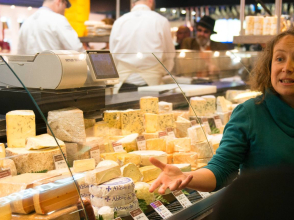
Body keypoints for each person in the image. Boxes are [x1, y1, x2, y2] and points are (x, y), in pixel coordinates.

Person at [149, 28, 294, 194]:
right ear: (269, 67)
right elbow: (222, 169)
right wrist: (186, 176)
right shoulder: (249, 114)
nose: (287, 67)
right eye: (280, 59)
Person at [109, 0, 175, 93]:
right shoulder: (161, 20)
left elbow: (112, 55)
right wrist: (163, 72)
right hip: (152, 85)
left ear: (133, 4)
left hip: (122, 86)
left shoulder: (119, 22)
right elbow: (169, 55)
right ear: (151, 1)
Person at [17, 0, 83, 55]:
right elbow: (77, 49)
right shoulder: (58, 19)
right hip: (56, 69)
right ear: (59, 2)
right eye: (64, 7)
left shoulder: (26, 22)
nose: (64, 11)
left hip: (31, 70)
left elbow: (20, 54)